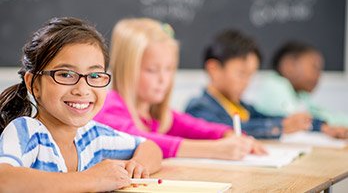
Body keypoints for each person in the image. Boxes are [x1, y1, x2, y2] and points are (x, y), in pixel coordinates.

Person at [0, 17, 162, 192]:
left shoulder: (92, 136)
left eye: (94, 76)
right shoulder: (27, 132)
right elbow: (4, 179)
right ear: (34, 84)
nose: (82, 90)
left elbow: (149, 147)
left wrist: (136, 166)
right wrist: (92, 179)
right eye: (66, 74)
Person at [94, 18, 266, 160]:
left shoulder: (157, 115)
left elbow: (196, 126)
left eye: (169, 69)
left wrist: (228, 134)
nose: (163, 79)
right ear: (127, 69)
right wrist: (215, 149)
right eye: (152, 70)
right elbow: (141, 141)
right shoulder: (110, 108)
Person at [185, 30, 324, 139]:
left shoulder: (241, 107)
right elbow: (227, 130)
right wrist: (279, 126)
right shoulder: (198, 108)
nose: (247, 82)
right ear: (213, 69)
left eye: (251, 75)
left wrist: (320, 126)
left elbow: (268, 118)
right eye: (241, 74)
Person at [253, 41, 348, 138]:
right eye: (314, 67)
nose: (319, 75)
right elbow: (298, 120)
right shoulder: (275, 84)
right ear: (289, 65)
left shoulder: (300, 94)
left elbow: (321, 114)